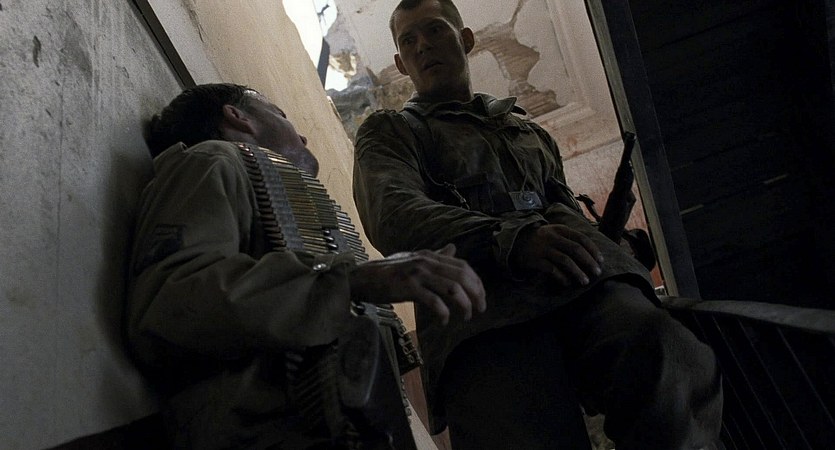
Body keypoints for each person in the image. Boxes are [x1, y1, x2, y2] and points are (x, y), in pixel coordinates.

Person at [351, 1, 724, 449]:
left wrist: (610, 239)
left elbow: (560, 213)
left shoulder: (529, 132)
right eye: (408, 40)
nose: (423, 46)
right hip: (481, 316)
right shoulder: (392, 131)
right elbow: (393, 214)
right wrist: (512, 239)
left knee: (665, 354)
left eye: (435, 30)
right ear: (400, 64)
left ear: (465, 39)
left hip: (584, 290)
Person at [125, 83, 486, 449]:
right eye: (281, 115)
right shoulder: (210, 160)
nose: (302, 135)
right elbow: (169, 302)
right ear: (238, 116)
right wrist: (350, 282)